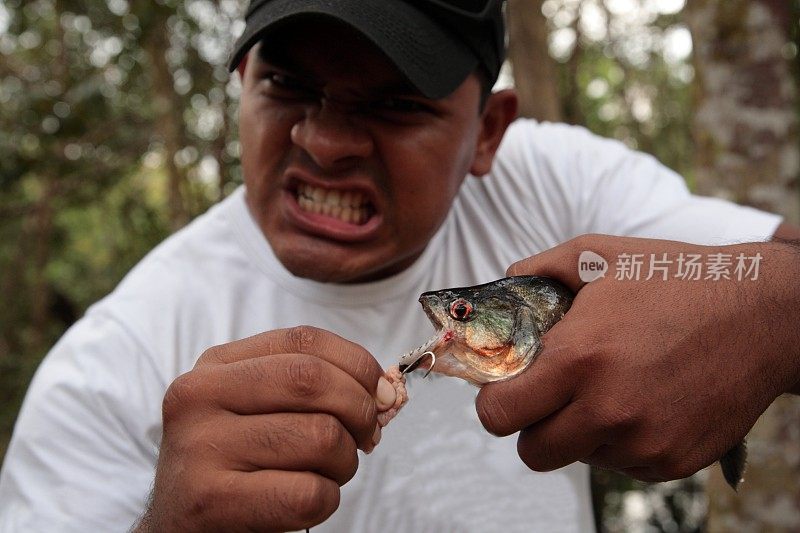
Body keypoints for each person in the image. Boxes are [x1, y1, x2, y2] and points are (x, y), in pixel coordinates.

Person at [1, 0, 799, 531]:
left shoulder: (556, 187)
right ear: (242, 80)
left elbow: (777, 268)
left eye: (394, 104)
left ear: (489, 131)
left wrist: (769, 313)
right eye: (287, 84)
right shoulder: (112, 361)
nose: (325, 142)